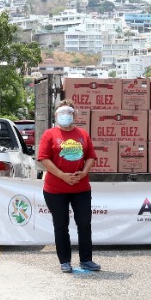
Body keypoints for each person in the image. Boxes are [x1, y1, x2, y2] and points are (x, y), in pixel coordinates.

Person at [37, 101, 100, 273]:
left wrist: (83, 172)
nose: (65, 116)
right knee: (61, 225)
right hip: (55, 190)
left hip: (81, 188)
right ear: (56, 116)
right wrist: (62, 175)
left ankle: (86, 259)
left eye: (69, 112)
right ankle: (64, 261)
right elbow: (43, 159)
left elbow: (90, 157)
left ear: (74, 115)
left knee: (84, 223)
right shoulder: (49, 135)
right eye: (61, 113)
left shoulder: (82, 134)